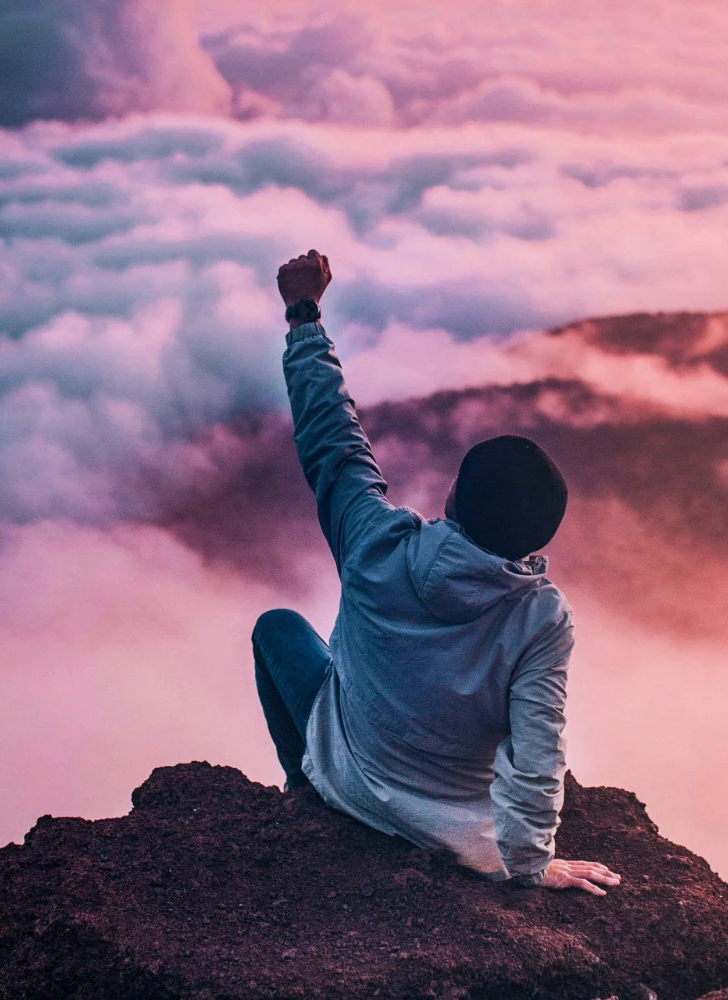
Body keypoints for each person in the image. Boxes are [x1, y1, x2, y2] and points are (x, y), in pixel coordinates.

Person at [252, 249, 620, 896]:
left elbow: (333, 442)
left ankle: (302, 785)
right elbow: (539, 755)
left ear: (454, 499)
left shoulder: (375, 542)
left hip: (350, 781)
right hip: (455, 836)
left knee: (278, 629)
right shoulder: (541, 617)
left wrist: (303, 316)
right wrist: (532, 864)